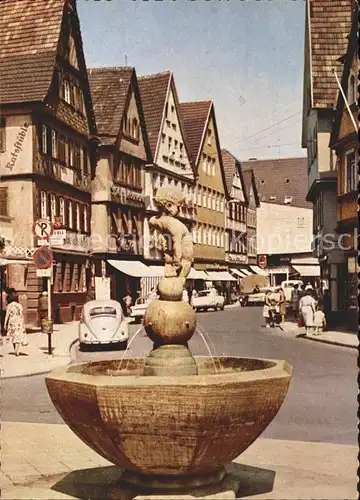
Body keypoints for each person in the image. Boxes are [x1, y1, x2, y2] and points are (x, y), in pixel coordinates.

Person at [4, 291, 27, 356]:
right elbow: (21, 315)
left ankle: (15, 350)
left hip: (12, 322)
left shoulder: (9, 306)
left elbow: (7, 315)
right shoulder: (19, 305)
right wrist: (23, 322)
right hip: (18, 321)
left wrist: (5, 324)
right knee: (18, 336)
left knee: (13, 336)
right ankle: (17, 350)